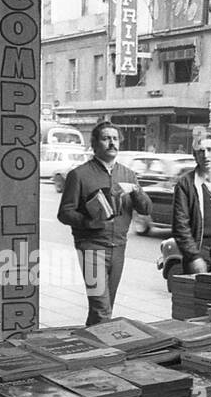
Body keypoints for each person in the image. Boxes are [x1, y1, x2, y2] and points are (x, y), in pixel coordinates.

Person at [57, 122, 152, 326]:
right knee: (102, 309)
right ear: (94, 144)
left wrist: (136, 192)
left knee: (103, 306)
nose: (112, 143)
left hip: (118, 247)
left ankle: (91, 347)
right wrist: (89, 222)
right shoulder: (79, 175)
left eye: (115, 139)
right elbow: (64, 213)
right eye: (106, 138)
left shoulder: (128, 174)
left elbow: (146, 209)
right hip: (91, 248)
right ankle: (107, 352)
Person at [172, 135, 211, 274]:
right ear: (195, 155)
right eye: (200, 151)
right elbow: (180, 226)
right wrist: (194, 257)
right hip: (199, 253)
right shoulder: (185, 184)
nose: (205, 155)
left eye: (209, 149)